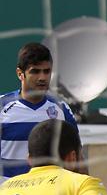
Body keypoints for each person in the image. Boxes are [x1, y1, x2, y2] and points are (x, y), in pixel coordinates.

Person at [1, 42, 78, 181]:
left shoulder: (62, 109)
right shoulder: (2, 106)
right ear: (20, 74)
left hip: (48, 192)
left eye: (46, 71)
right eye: (35, 71)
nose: (42, 77)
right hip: (9, 192)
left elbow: (77, 157)